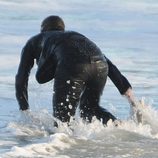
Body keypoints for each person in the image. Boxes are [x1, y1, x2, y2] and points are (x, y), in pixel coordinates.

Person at [15, 15, 138, 125]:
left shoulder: (34, 41)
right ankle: (119, 125)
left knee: (62, 123)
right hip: (100, 65)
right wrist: (127, 92)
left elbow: (21, 78)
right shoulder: (74, 37)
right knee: (89, 110)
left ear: (43, 30)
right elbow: (108, 63)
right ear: (62, 29)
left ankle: (59, 146)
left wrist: (24, 110)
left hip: (72, 67)